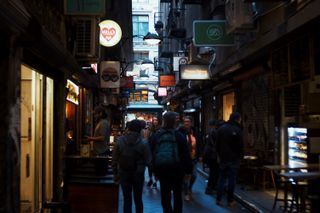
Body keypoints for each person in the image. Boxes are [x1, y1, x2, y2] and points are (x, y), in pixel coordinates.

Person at [150, 111, 192, 213]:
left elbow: (151, 154)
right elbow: (185, 154)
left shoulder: (156, 135)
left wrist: (154, 170)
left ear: (163, 121)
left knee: (165, 195)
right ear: (174, 122)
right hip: (177, 169)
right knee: (177, 194)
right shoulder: (179, 136)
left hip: (162, 169)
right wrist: (188, 171)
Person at [112, 119, 151, 213]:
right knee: (138, 199)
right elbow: (149, 160)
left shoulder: (120, 140)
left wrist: (115, 174)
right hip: (138, 173)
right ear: (140, 130)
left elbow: (114, 159)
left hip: (124, 172)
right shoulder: (144, 142)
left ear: (128, 128)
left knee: (127, 199)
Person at [216, 112, 243, 207]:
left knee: (221, 179)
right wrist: (241, 157)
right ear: (237, 119)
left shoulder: (221, 129)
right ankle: (230, 200)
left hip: (223, 158)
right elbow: (240, 146)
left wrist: (218, 155)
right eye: (240, 119)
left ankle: (218, 199)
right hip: (234, 159)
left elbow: (217, 144)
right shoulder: (237, 130)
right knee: (232, 180)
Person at [177, 116, 202, 201]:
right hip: (184, 158)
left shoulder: (195, 131)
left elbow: (199, 143)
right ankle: (186, 192)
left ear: (191, 123)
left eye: (188, 121)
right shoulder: (180, 132)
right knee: (185, 176)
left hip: (193, 157)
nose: (186, 123)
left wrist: (200, 155)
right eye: (185, 121)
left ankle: (189, 187)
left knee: (194, 175)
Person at [84, 105, 110, 174]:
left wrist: (90, 139)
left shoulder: (103, 123)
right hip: (99, 151)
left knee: (100, 173)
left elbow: (102, 137)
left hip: (102, 152)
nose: (94, 116)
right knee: (99, 172)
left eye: (96, 114)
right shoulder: (101, 122)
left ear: (100, 113)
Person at [203, 119, 219, 195]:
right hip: (213, 155)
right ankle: (210, 188)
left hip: (209, 154)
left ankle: (211, 187)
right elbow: (214, 144)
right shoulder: (214, 132)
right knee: (213, 172)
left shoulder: (210, 132)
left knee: (213, 172)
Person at [146, 116, 161, 188]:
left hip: (157, 151)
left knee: (155, 167)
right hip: (150, 151)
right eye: (154, 120)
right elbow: (148, 140)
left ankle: (155, 181)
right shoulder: (150, 131)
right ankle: (151, 179)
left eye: (156, 120)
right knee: (150, 167)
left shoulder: (160, 130)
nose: (155, 121)